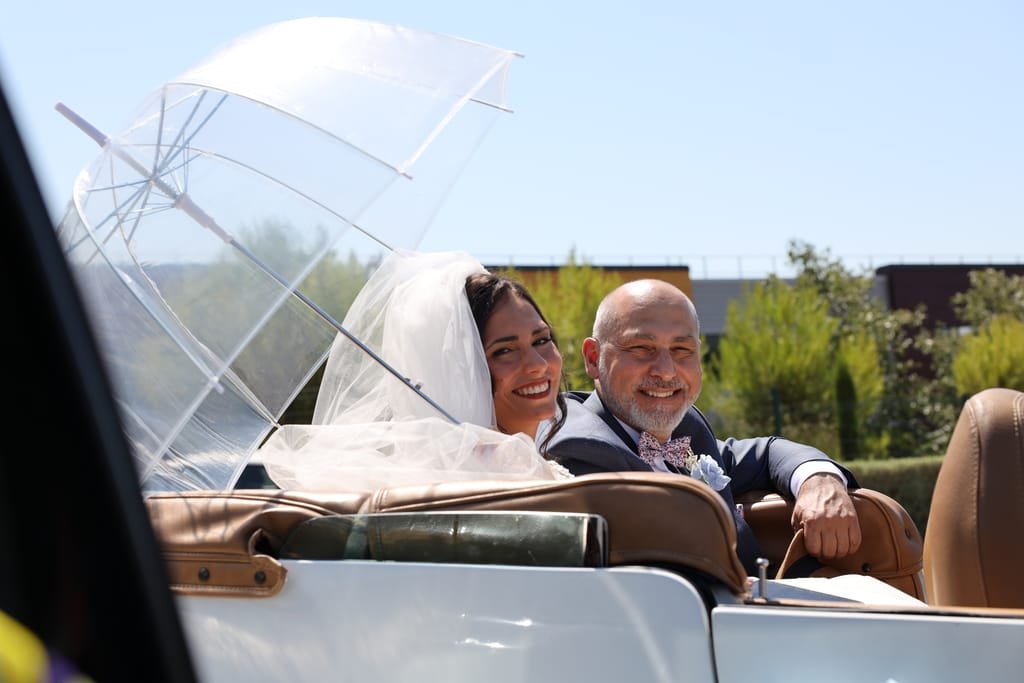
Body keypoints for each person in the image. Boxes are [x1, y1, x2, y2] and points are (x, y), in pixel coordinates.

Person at [542, 279, 861, 573]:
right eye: (641, 348)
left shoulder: (687, 427)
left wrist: (818, 478)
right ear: (593, 357)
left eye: (682, 350)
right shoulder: (580, 447)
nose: (666, 372)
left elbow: (766, 452)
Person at [260, 250, 570, 489]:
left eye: (541, 340)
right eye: (504, 351)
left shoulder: (523, 464)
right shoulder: (489, 477)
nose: (538, 365)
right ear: (459, 370)